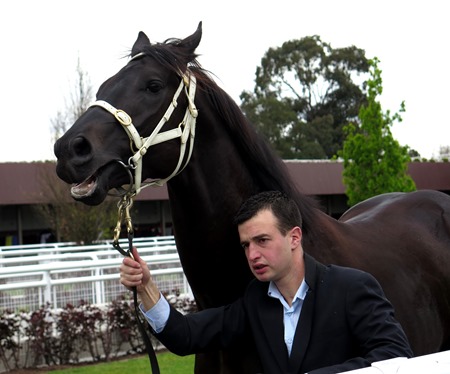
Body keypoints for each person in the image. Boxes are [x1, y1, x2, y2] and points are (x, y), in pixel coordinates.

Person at [120, 191, 413, 373]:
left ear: (294, 237)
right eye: (246, 245)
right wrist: (146, 287)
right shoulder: (254, 301)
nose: (253, 254)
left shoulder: (352, 287)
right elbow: (185, 336)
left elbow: (395, 356)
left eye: (262, 240)